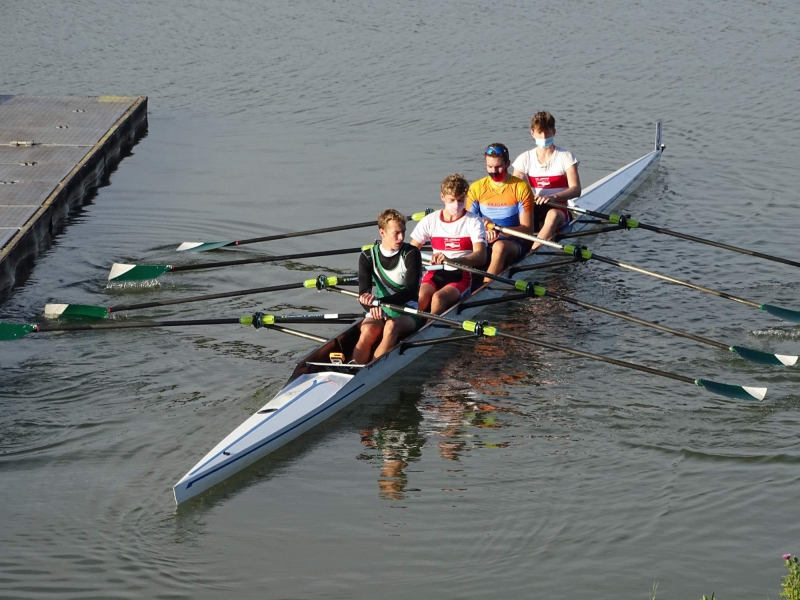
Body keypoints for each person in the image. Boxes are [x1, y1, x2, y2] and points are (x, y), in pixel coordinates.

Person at [354, 209, 423, 364]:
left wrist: (380, 303)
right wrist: (371, 306)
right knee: (367, 330)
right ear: (382, 232)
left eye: (403, 232)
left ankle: (370, 370)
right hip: (381, 309)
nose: (401, 237)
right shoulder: (367, 256)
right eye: (396, 233)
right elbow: (364, 294)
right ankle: (353, 368)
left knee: (392, 325)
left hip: (408, 311)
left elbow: (410, 291)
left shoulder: (411, 253)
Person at [410, 174, 487, 314]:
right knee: (420, 297)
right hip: (434, 272)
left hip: (461, 274)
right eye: (452, 200)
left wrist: (453, 260)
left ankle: (429, 325)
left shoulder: (474, 221)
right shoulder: (430, 220)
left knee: (438, 298)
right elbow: (411, 251)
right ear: (442, 197)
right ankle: (410, 323)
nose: (456, 204)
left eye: (460, 200)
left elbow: (481, 257)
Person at [512, 111, 581, 250]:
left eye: (547, 132)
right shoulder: (524, 159)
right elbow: (514, 190)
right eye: (540, 133)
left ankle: (532, 253)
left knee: (552, 214)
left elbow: (576, 189)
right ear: (532, 133)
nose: (544, 137)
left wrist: (553, 197)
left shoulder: (565, 157)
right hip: (533, 208)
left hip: (559, 209)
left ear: (554, 132)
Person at [466, 143, 534, 282]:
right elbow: (466, 223)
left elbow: (528, 230)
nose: (494, 171)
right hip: (485, 238)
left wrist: (498, 231)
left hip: (514, 242)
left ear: (508, 163)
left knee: (499, 246)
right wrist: (483, 229)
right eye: (489, 167)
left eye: (498, 167)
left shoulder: (520, 188)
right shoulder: (477, 188)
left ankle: (486, 286)